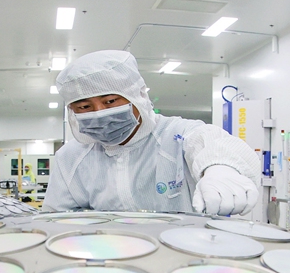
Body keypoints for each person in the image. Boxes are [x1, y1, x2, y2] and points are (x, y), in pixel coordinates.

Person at [43, 50, 261, 216]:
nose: (100, 113)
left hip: (187, 258)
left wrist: (220, 168)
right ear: (72, 111)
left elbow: (212, 141)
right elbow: (56, 220)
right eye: (84, 107)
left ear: (137, 95)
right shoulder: (71, 158)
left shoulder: (176, 135)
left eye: (110, 101)